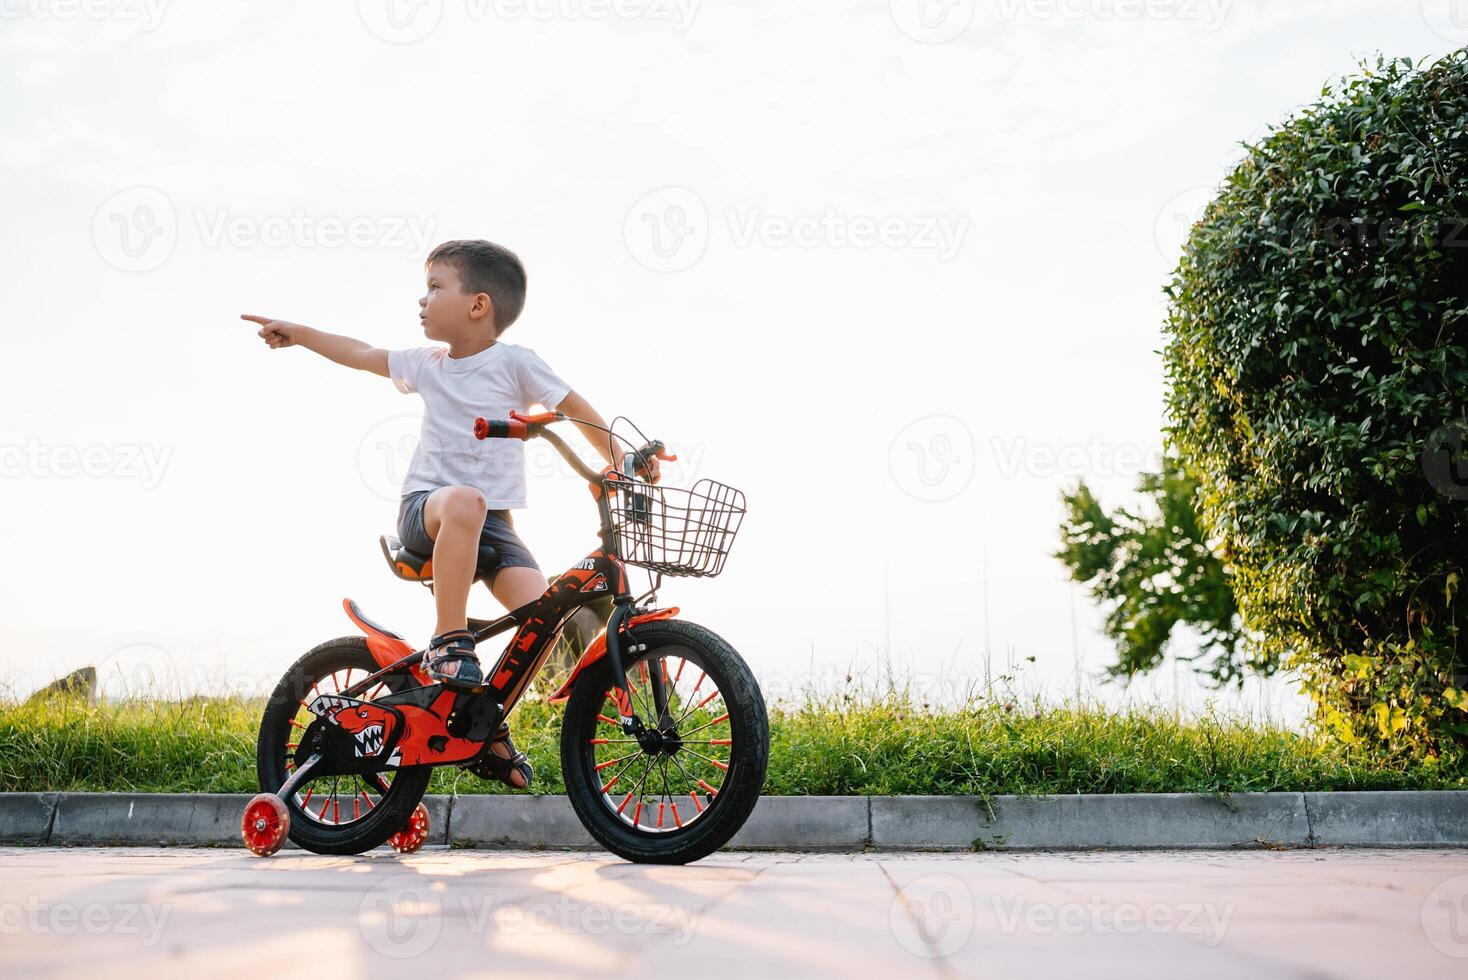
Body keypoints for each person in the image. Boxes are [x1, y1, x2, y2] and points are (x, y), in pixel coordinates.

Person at [242, 239, 657, 789]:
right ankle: (448, 642)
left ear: (478, 305)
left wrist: (623, 457)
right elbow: (359, 351)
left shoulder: (516, 364)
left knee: (543, 616)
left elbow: (574, 410)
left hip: (494, 527)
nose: (423, 299)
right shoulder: (427, 365)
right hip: (428, 511)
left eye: (436, 287)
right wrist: (300, 333)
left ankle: (486, 726)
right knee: (465, 499)